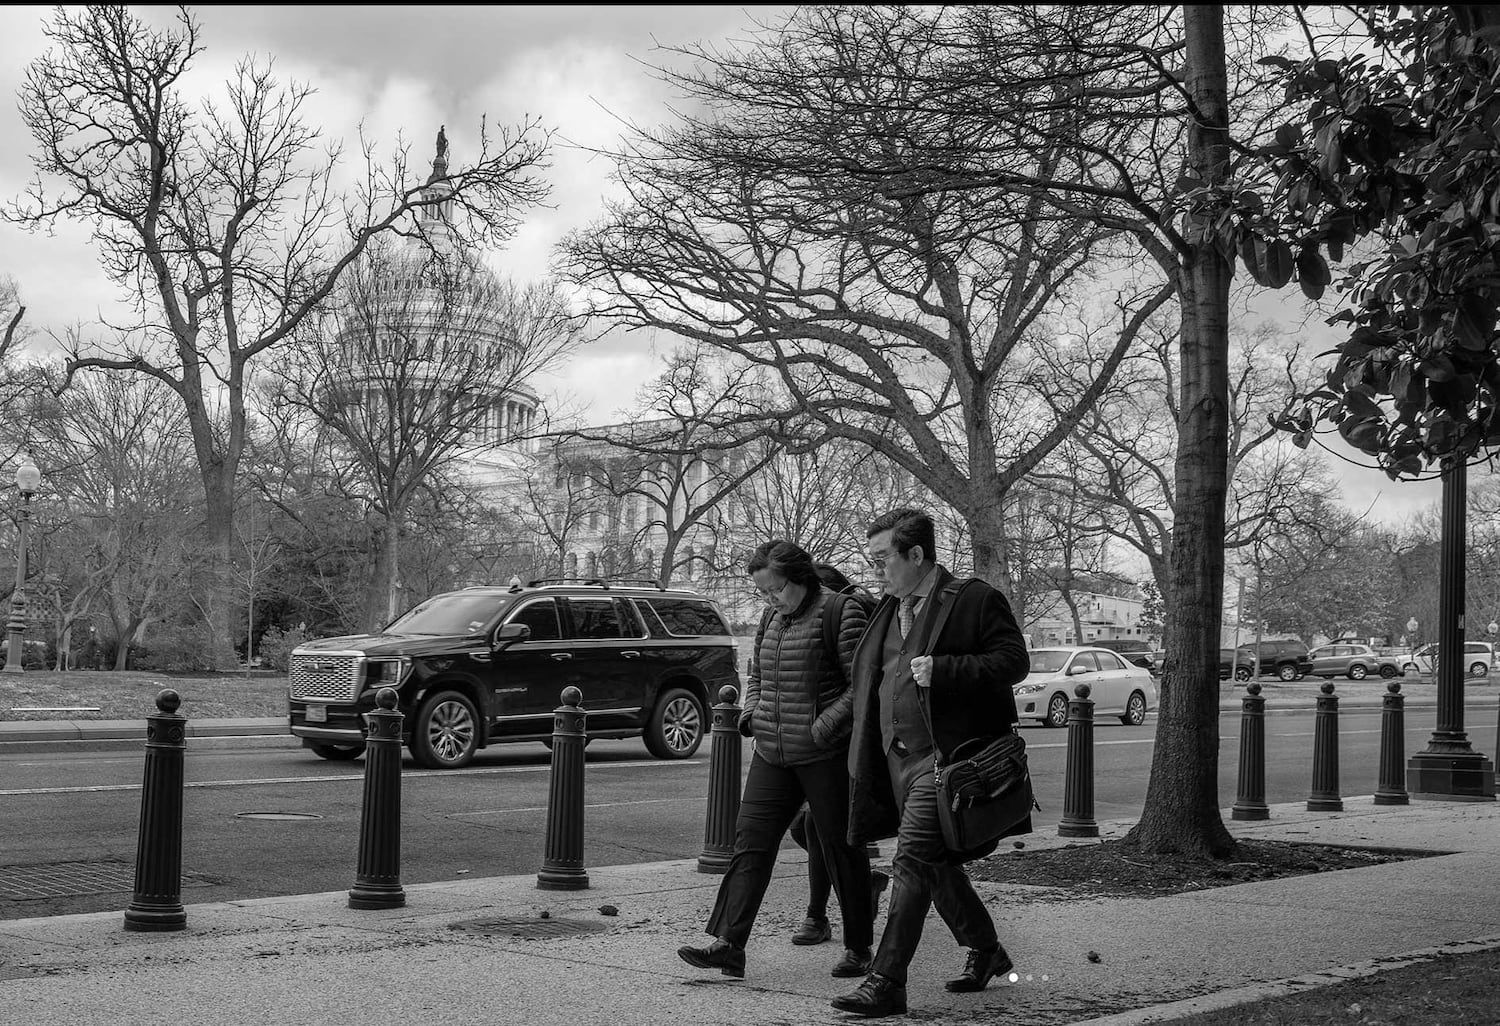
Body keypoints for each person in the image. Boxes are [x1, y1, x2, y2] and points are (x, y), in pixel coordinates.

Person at [832, 508, 1031, 1018]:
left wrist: (944, 669)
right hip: (894, 761)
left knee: (913, 858)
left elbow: (1014, 662)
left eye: (883, 559)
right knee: (936, 864)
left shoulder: (973, 599)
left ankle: (887, 981)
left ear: (916, 555)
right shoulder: (887, 608)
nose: (876, 570)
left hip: (946, 761)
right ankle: (987, 951)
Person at [678, 539, 876, 981]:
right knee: (750, 843)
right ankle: (729, 944)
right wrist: (752, 714)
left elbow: (862, 684)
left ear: (801, 577)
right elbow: (758, 674)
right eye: (762, 593)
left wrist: (822, 727)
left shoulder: (840, 612)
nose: (769, 599)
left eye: (776, 590)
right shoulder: (772, 617)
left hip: (824, 753)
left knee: (841, 847)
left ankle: (859, 945)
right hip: (772, 751)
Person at [787, 561, 887, 947]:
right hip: (823, 743)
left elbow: (864, 683)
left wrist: (826, 724)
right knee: (807, 827)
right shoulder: (802, 621)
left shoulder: (851, 614)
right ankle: (862, 886)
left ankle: (819, 916)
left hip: (854, 743)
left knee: (818, 826)